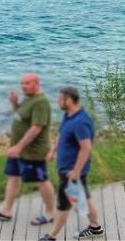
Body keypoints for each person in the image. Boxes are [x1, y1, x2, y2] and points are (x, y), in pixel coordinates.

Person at [0, 73, 56, 226]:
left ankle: (50, 213)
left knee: (41, 180)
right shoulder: (28, 98)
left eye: (27, 83)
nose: (23, 86)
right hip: (18, 150)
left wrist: (19, 146)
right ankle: (6, 210)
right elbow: (20, 116)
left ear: (37, 83)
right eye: (22, 83)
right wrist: (14, 103)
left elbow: (36, 128)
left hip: (33, 151)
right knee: (12, 176)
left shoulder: (40, 102)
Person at [40, 87, 103, 241]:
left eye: (60, 99)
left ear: (68, 101)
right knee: (83, 198)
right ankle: (95, 227)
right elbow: (61, 134)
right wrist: (53, 151)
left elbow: (86, 147)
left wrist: (76, 171)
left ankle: (51, 236)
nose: (57, 101)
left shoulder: (80, 122)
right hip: (67, 169)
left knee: (63, 204)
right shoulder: (68, 116)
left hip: (71, 172)